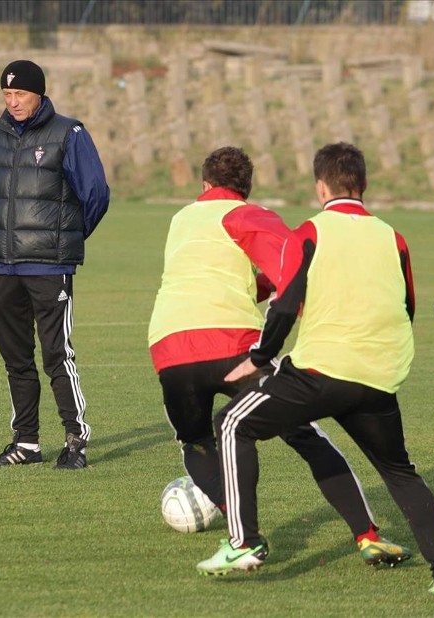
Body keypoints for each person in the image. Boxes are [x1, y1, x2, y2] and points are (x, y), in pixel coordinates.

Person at [196, 143, 434, 594]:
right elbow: (406, 306)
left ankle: (245, 543)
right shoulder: (392, 236)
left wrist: (258, 359)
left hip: (319, 374)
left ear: (320, 186)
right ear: (364, 185)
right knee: (400, 473)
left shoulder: (311, 232)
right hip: (378, 377)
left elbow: (283, 306)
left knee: (230, 424)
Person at [148, 146, 411, 568]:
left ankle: (241, 532)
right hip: (233, 345)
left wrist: (263, 288)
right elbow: (295, 267)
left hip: (170, 350)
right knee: (307, 437)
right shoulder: (246, 214)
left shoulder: (180, 219)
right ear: (246, 189)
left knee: (196, 442)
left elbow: (219, 279)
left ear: (203, 185)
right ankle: (366, 535)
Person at [0, 59, 110, 470]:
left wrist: (65, 238)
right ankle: (27, 443)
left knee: (57, 354)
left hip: (49, 266)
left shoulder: (69, 133)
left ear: (39, 94)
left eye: (20, 94)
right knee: (15, 356)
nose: (13, 102)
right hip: (1, 265)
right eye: (7, 95)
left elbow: (96, 194)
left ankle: (75, 442)